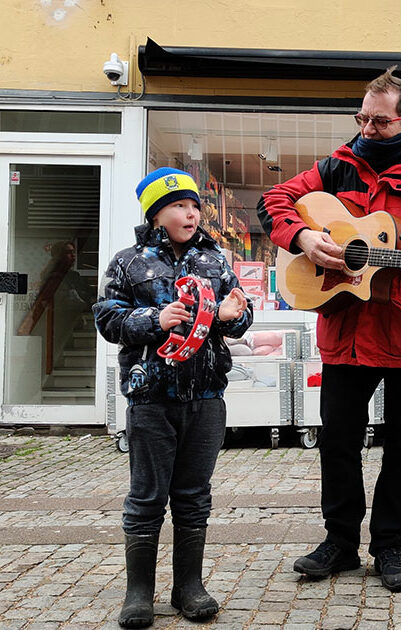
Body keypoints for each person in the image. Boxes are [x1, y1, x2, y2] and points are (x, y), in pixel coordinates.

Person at [257, 67, 401, 592]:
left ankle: (390, 547)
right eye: (361, 117)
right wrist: (301, 239)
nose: (366, 128)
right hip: (346, 333)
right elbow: (274, 202)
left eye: (378, 121)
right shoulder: (336, 167)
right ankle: (339, 543)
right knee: (337, 442)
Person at [93, 167, 252, 628]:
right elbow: (108, 319)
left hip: (205, 394)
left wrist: (230, 315)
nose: (191, 212)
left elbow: (241, 316)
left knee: (193, 495)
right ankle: (138, 592)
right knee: (146, 496)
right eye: (180, 205)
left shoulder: (215, 260)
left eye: (195, 205)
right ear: (157, 212)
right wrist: (153, 319)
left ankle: (189, 586)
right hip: (151, 397)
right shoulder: (128, 262)